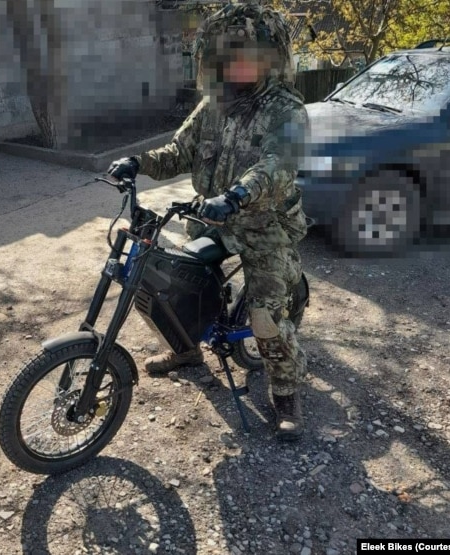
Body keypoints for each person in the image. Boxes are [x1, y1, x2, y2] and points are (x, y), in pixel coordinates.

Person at [107, 2, 309, 440]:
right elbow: (177, 152)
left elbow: (279, 165)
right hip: (214, 218)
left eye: (247, 53)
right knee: (167, 284)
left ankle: (286, 393)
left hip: (265, 225)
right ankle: (186, 351)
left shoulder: (286, 108)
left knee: (265, 317)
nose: (236, 63)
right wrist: (137, 162)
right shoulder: (213, 105)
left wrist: (237, 197)